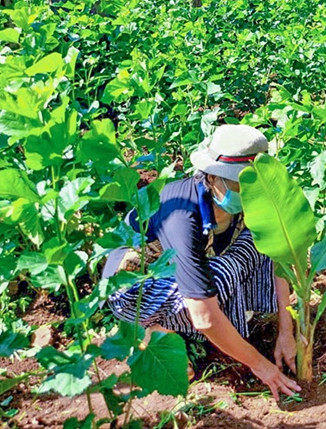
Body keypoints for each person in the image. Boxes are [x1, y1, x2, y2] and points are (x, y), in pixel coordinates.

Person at [103, 125, 299, 400]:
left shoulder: (243, 202)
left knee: (261, 243)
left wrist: (286, 331)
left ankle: (225, 327)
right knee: (220, 277)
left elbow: (278, 256)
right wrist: (262, 366)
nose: (246, 191)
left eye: (252, 184)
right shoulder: (180, 211)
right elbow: (204, 314)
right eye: (237, 184)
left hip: (186, 274)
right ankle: (155, 330)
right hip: (135, 288)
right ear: (212, 176)